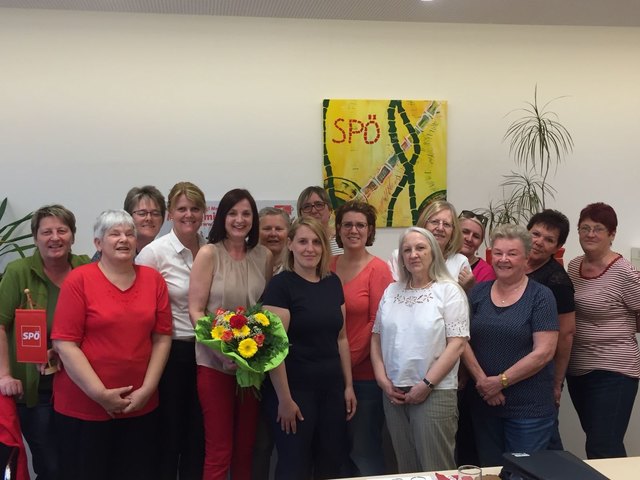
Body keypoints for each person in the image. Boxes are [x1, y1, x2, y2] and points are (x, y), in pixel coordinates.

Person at [51, 210, 172, 480]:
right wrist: (100, 394)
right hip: (83, 408)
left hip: (139, 406)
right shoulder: (78, 280)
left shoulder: (153, 280)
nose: (124, 239)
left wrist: (147, 389)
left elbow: (162, 337)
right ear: (98, 243)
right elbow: (65, 343)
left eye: (129, 234)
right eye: (114, 233)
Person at [0, 204, 90, 480]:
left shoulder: (86, 268)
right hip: (35, 392)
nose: (55, 237)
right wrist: (4, 375)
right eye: (46, 231)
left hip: (79, 386)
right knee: (50, 466)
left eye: (62, 230)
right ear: (36, 237)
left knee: (77, 462)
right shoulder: (18, 272)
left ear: (73, 236)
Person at [262, 217, 356, 480]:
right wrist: (284, 399)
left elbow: (341, 338)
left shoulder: (332, 283)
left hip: (331, 390)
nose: (310, 248)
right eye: (302, 241)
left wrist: (348, 386)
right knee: (295, 466)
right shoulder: (280, 287)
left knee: (330, 463)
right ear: (290, 244)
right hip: (294, 393)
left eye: (316, 242)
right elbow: (273, 349)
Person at [189, 188, 272, 480]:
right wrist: (220, 352)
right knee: (219, 449)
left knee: (246, 447)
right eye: (233, 213)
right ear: (222, 217)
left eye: (246, 213)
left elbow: (266, 314)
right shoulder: (208, 254)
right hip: (214, 365)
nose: (240, 219)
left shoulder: (264, 256)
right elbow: (196, 311)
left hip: (251, 367)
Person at [371, 227, 469, 473]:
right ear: (401, 257)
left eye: (420, 248)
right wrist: (383, 381)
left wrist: (426, 384)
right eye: (407, 250)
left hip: (434, 391)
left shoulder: (449, 291)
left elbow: (457, 344)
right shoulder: (391, 291)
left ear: (433, 253)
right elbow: (376, 338)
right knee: (406, 468)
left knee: (436, 470)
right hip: (394, 393)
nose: (413, 254)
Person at [462, 224, 558, 467]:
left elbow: (544, 352)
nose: (503, 260)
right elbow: (460, 339)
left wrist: (500, 381)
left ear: (526, 258)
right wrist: (483, 381)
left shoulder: (541, 296)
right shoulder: (478, 293)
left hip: (528, 409)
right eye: (498, 253)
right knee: (491, 471)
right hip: (484, 404)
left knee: (523, 473)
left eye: (512, 254)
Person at [136, 182, 207, 479]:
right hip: (172, 353)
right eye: (181, 209)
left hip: (209, 351)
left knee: (199, 435)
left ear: (203, 213)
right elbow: (139, 310)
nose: (188, 214)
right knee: (169, 436)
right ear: (170, 214)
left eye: (194, 209)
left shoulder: (211, 247)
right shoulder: (154, 254)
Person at [566, 202, 640, 459]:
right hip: (578, 368)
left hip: (615, 369)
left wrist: (616, 328)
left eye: (599, 229)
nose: (590, 234)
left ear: (612, 234)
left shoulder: (624, 272)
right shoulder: (573, 267)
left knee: (603, 446)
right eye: (584, 228)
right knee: (598, 441)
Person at [329, 200, 393, 476]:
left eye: (360, 225)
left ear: (369, 231)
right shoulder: (326, 265)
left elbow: (377, 323)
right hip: (327, 376)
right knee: (333, 450)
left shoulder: (378, 270)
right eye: (347, 224)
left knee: (364, 450)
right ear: (338, 230)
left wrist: (346, 364)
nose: (353, 230)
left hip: (364, 377)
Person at [525, 209, 575, 451]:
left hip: (539, 376)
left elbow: (566, 335)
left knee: (543, 446)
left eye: (549, 239)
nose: (539, 242)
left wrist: (557, 382)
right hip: (507, 375)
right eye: (536, 234)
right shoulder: (510, 265)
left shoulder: (558, 282)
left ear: (558, 247)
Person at [388, 200, 471, 288]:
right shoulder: (400, 257)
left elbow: (462, 299)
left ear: (453, 232)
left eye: (446, 224)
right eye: (434, 222)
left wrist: (467, 288)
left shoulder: (460, 262)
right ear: (424, 224)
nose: (440, 228)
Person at [92, 185, 166, 261]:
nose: (149, 218)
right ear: (128, 216)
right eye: (142, 213)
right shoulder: (112, 251)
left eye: (155, 213)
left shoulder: (165, 253)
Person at [296, 186, 342, 255]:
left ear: (330, 210)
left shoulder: (343, 239)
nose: (314, 211)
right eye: (307, 207)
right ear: (300, 213)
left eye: (319, 205)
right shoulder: (294, 242)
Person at [458, 210, 495, 284]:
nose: (469, 239)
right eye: (465, 232)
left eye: (476, 236)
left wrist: (472, 287)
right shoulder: (441, 260)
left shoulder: (486, 272)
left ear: (480, 242)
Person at [259, 206, 291, 273]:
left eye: (278, 229)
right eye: (267, 229)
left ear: (289, 232)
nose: (273, 234)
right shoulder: (246, 266)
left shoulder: (298, 268)